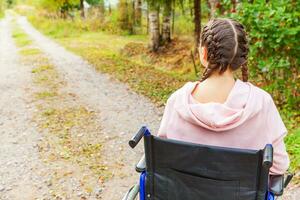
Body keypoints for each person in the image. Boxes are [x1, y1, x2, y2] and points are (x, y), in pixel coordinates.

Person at [158, 18, 289, 175]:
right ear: (242, 58)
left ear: (204, 52)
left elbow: (163, 160)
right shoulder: (261, 102)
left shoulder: (177, 101)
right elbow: (279, 165)